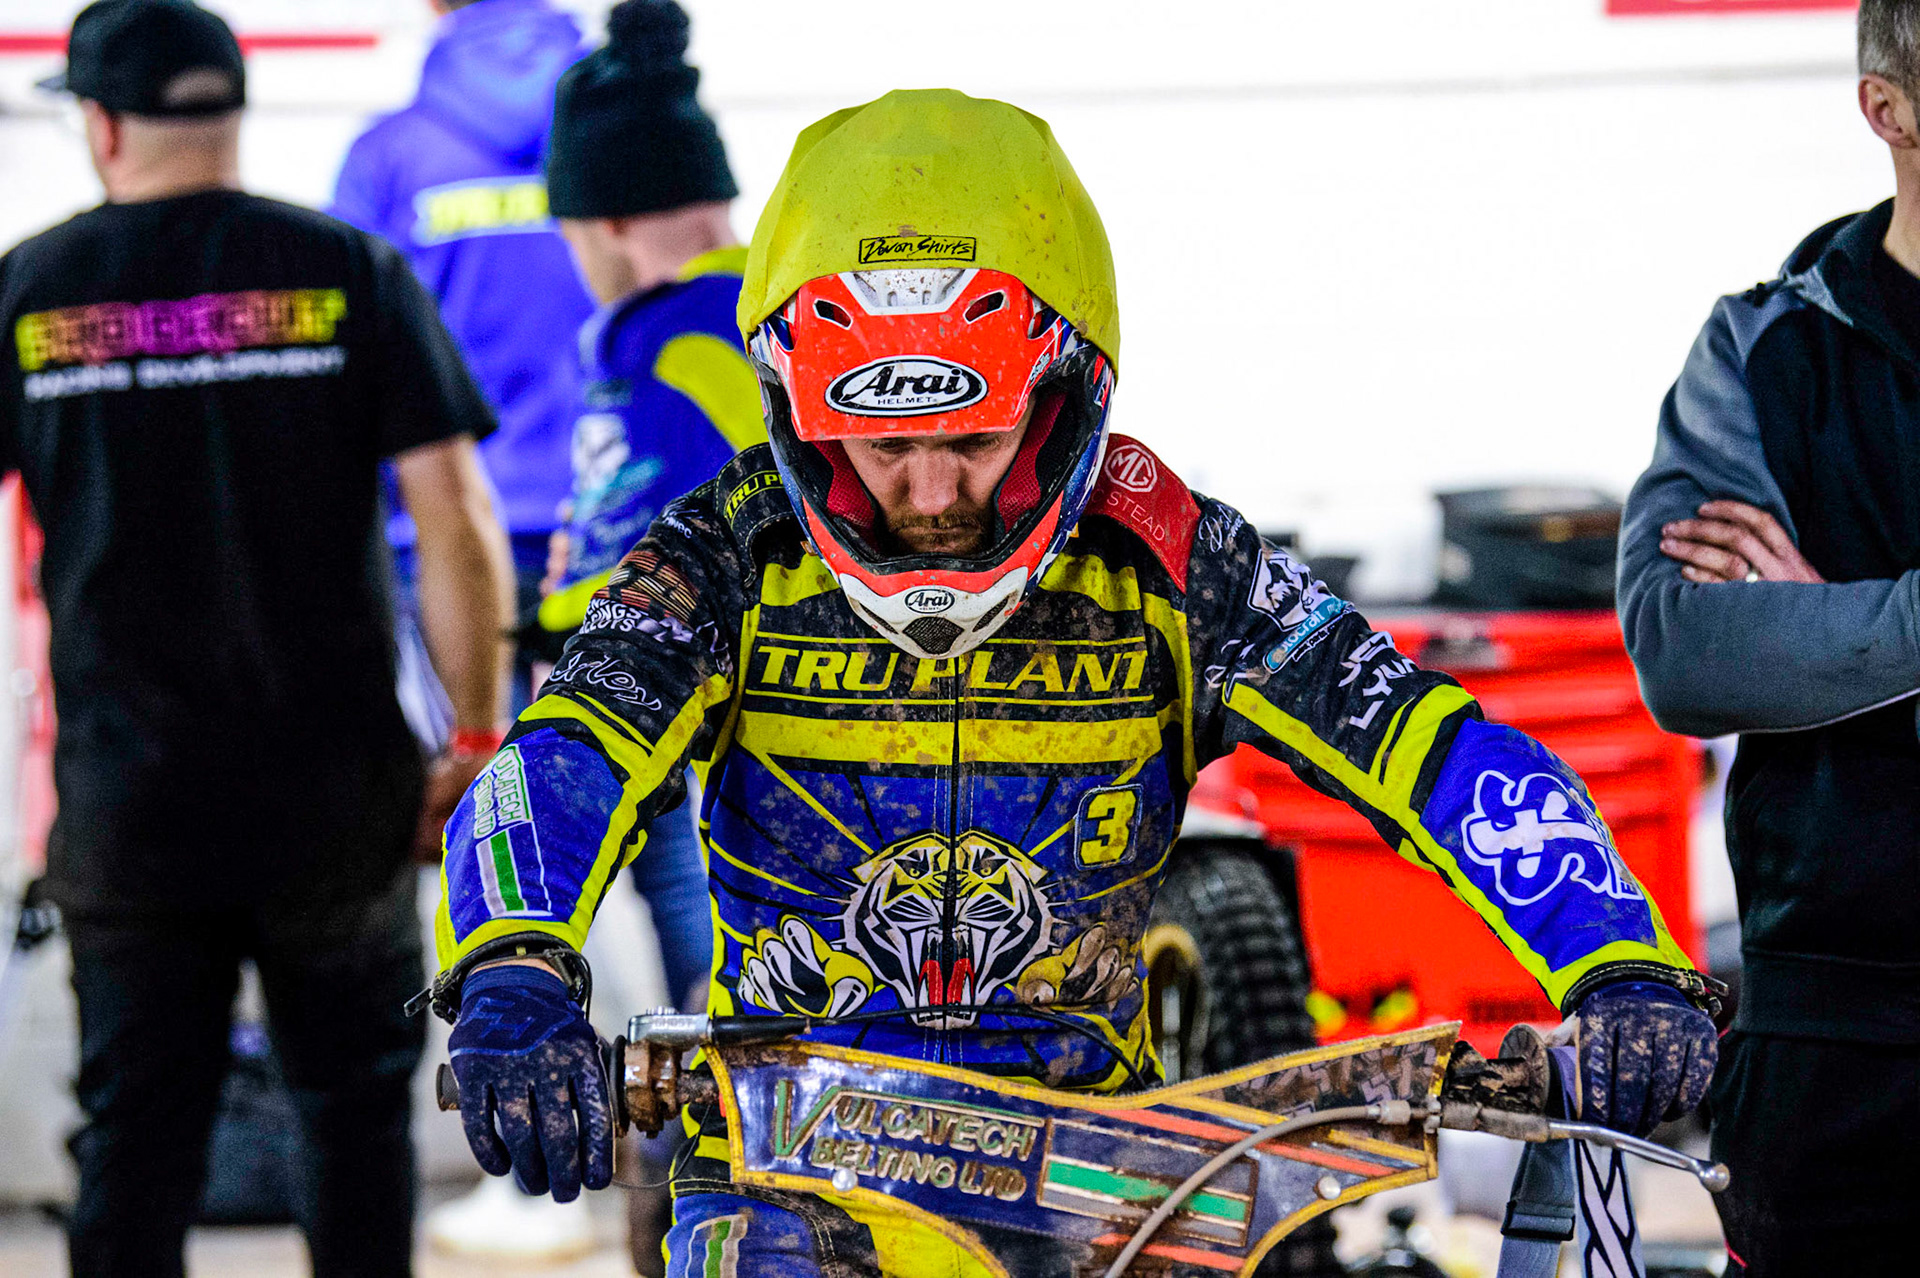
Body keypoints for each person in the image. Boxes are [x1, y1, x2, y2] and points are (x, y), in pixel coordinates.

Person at [429, 89, 1720, 1276]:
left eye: (972, 437)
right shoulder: (725, 553)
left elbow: (1433, 748)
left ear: (1064, 392)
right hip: (783, 1186)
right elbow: (561, 756)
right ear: (799, 409)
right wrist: (513, 969)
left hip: (1109, 1187)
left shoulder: (1176, 559)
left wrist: (1619, 962)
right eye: (878, 445)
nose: (929, 491)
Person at [0, 3, 513, 1275]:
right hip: (337, 795)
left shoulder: (30, 290)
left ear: (102, 124)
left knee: (134, 1139)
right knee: (354, 1121)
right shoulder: (348, 272)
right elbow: (456, 520)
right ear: (230, 112)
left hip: (131, 799)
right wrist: (473, 738)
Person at [1618, 3, 1920, 1270]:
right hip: (1835, 1047)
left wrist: (1826, 625)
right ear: (1888, 108)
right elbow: (1687, 651)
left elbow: (1769, 646)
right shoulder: (1765, 350)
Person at [538, 0, 762, 1020]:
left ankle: (717, 1084)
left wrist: (554, 613)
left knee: (681, 876)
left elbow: (622, 551)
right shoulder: (791, 302)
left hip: (703, 686)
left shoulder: (651, 340)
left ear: (612, 221)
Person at [330, 0, 593, 720]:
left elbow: (349, 366)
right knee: (629, 772)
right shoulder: (629, 137)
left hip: (444, 531)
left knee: (474, 770)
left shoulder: (387, 158)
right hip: (613, 513)